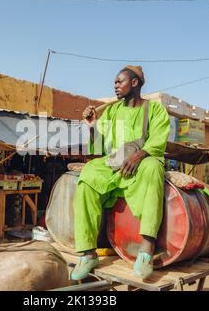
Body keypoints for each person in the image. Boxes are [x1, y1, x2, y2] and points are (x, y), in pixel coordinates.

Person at [71, 65, 170, 280]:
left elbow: (158, 140)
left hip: (142, 162)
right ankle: (88, 253)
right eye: (115, 83)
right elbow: (99, 147)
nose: (115, 86)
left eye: (119, 82)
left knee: (154, 168)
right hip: (115, 162)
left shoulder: (154, 110)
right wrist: (91, 126)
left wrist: (139, 155)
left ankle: (146, 250)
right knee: (88, 174)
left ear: (134, 83)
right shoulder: (112, 111)